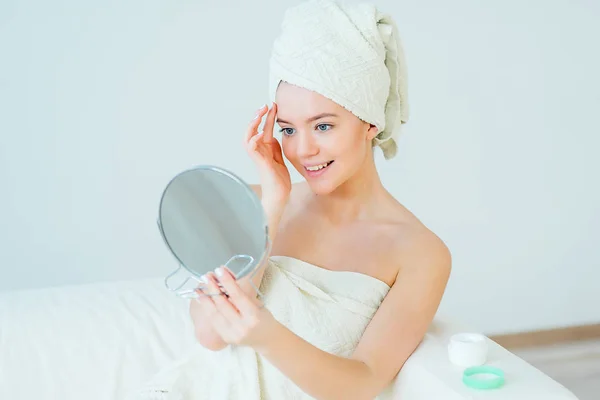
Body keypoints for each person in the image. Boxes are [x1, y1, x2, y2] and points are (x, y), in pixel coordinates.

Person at [129, 0, 451, 399]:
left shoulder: (421, 254)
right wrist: (273, 203)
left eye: (323, 125)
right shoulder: (255, 203)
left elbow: (365, 381)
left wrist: (266, 335)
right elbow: (209, 335)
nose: (304, 150)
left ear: (370, 122)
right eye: (288, 130)